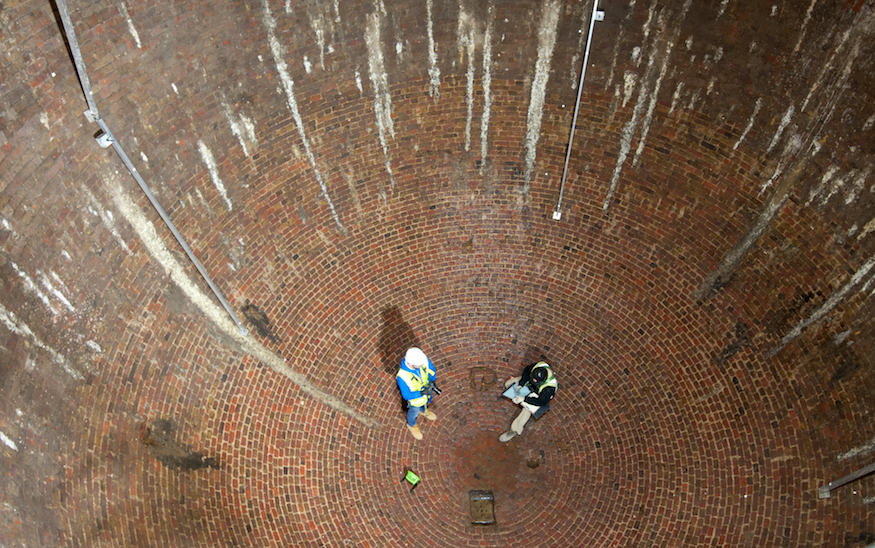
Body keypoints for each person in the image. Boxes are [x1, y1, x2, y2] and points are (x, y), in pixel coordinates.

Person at [499, 361, 557, 442]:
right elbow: (526, 371)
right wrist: (521, 384)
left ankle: (514, 430)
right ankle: (516, 394)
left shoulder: (549, 388)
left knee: (526, 412)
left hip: (536, 396)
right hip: (529, 384)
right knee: (508, 384)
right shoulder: (539, 366)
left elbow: (541, 402)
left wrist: (524, 399)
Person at [396, 347, 438, 440]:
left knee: (425, 404)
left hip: (425, 396)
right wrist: (422, 393)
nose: (422, 365)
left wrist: (432, 381)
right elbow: (406, 395)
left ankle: (423, 410)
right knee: (413, 413)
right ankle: (412, 425)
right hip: (415, 401)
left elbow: (431, 369)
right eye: (420, 365)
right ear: (411, 364)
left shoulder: (421, 359)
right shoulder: (402, 377)